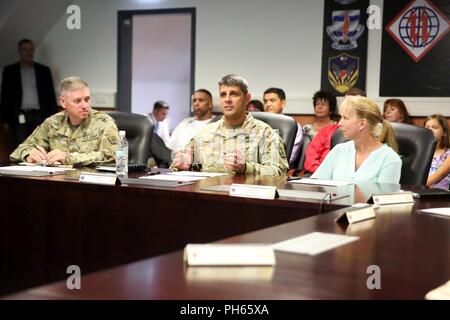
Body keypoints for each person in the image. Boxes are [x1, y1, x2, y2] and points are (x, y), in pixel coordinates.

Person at [171, 74, 288, 175]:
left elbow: (279, 171)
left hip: (242, 198)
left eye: (233, 94)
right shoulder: (206, 132)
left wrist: (246, 167)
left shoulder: (265, 133)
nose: (227, 99)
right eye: (223, 94)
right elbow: (181, 165)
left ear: (247, 98)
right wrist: (183, 166)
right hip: (207, 195)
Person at [10, 76, 119, 166]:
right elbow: (19, 150)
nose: (85, 105)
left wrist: (68, 158)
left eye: (87, 99)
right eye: (78, 101)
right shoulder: (53, 123)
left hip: (91, 184)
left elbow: (112, 155)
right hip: (58, 181)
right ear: (63, 102)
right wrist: (28, 154)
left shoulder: (104, 122)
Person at [312, 96, 402, 183]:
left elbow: (383, 197)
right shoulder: (339, 150)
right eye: (340, 117)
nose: (339, 123)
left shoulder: (390, 158)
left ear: (362, 124)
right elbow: (315, 184)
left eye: (345, 118)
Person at [0, 39, 58, 146]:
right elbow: (5, 96)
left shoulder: (44, 70)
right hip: (19, 116)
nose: (28, 52)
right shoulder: (10, 71)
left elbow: (50, 96)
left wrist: (53, 118)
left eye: (31, 49)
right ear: (19, 51)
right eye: (25, 49)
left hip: (40, 116)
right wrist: (5, 120)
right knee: (20, 147)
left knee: (40, 146)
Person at [302, 88, 366, 174]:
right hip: (323, 176)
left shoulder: (372, 135)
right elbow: (311, 155)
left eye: (352, 103)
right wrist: (323, 173)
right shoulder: (327, 130)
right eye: (346, 102)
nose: (347, 106)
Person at [263, 87, 303, 166]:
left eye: (272, 100)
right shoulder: (257, 124)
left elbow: (290, 156)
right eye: (265, 101)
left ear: (283, 103)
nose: (268, 104)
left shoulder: (292, 126)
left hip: (279, 169)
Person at [424, 114, 450, 189]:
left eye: (434, 127)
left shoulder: (447, 154)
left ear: (444, 133)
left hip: (438, 196)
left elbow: (440, 174)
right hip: (417, 192)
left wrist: (416, 186)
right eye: (427, 127)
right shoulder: (420, 153)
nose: (430, 130)